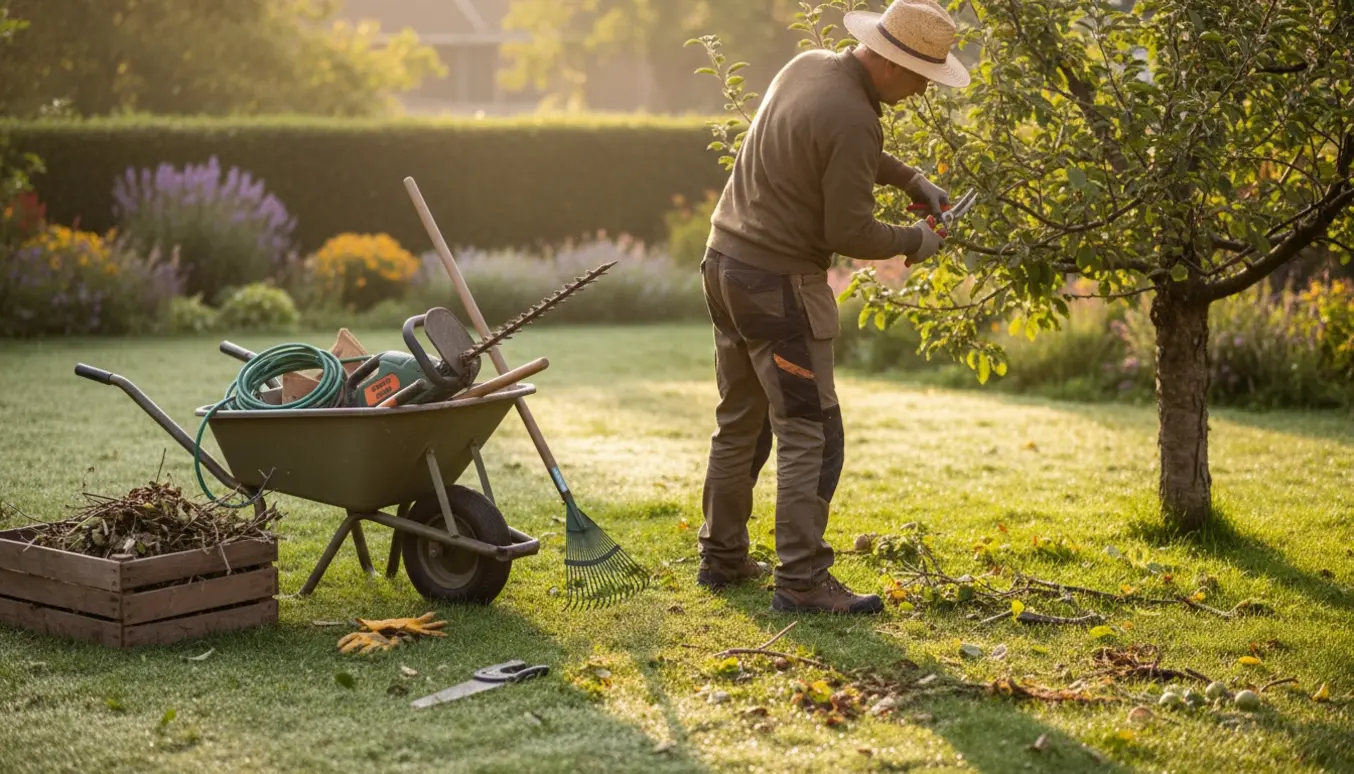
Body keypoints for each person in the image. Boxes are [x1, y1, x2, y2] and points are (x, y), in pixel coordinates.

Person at [695, 0, 972, 614]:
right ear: (894, 64)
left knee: (740, 417)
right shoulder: (855, 116)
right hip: (778, 286)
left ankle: (722, 555)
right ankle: (801, 580)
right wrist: (916, 241)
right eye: (923, 76)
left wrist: (908, 179)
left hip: (723, 264)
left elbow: (828, 146)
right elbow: (849, 230)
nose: (925, 89)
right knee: (810, 431)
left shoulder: (808, 66)